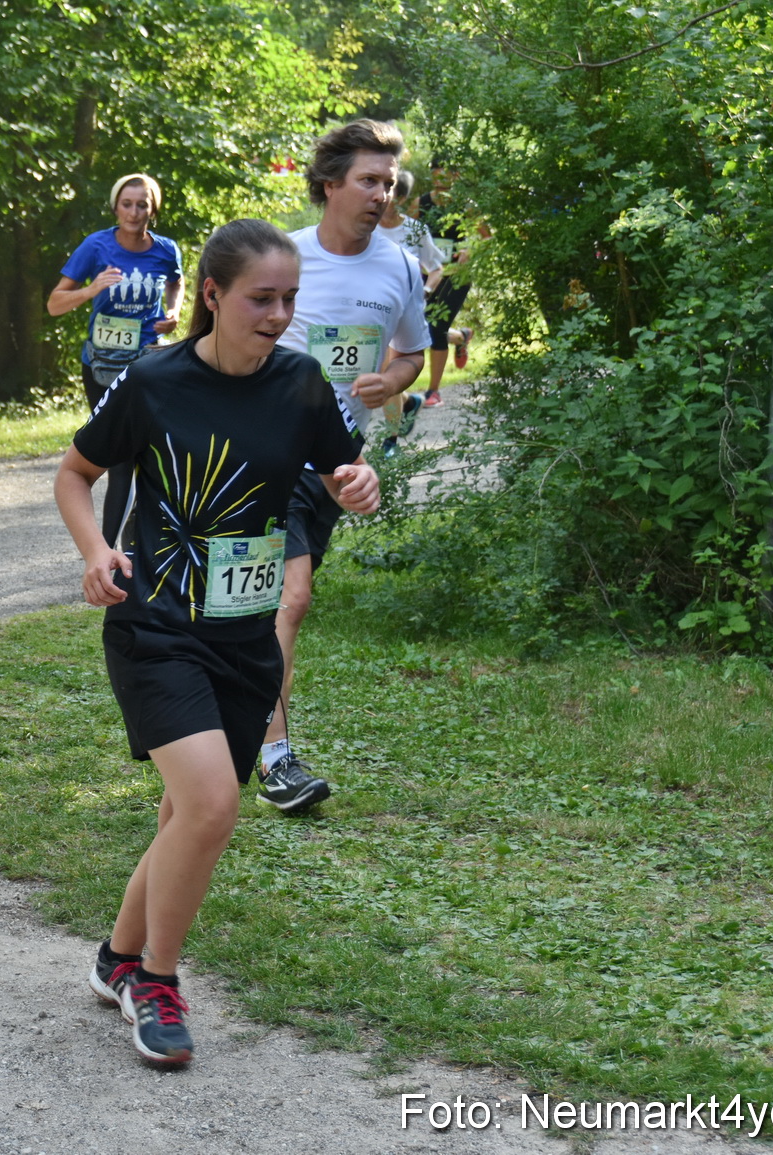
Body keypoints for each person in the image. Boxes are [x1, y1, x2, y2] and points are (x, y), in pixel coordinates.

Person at [56, 219, 379, 1065]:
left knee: (182, 814)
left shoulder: (302, 383)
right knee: (210, 805)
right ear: (211, 295)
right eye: (260, 299)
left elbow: (339, 471)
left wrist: (358, 482)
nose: (278, 315)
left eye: (289, 300)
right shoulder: (155, 381)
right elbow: (73, 473)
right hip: (156, 626)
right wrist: (97, 551)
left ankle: (117, 958)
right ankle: (156, 980)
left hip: (245, 639)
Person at [263, 120, 432, 812]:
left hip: (335, 464)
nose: (380, 194)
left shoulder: (400, 266)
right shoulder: (283, 257)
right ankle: (274, 755)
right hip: (266, 451)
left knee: (262, 602)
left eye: (388, 183)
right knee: (290, 597)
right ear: (329, 183)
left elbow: (412, 351)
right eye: (368, 179)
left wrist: (390, 384)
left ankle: (218, 706)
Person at [48, 174, 184, 411]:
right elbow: (54, 305)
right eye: (126, 204)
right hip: (102, 362)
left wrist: (173, 312)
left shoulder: (166, 250)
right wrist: (91, 290)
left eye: (142, 205)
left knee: (145, 435)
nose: (133, 213)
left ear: (153, 211)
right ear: (115, 208)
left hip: (148, 358)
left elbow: (176, 282)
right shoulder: (95, 246)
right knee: (106, 441)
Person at [373, 169, 444, 453]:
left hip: (405, 312)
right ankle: (410, 402)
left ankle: (390, 441)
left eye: (390, 193)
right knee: (380, 377)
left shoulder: (415, 230)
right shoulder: (367, 228)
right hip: (373, 311)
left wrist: (425, 292)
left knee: (388, 374)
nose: (382, 199)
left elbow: (436, 268)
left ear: (401, 197)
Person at [419, 163, 479, 407]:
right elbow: (406, 232)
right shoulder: (421, 203)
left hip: (456, 277)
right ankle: (461, 337)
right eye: (436, 171)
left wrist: (470, 246)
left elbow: (485, 235)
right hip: (427, 275)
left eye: (446, 172)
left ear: (456, 175)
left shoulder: (466, 205)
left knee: (436, 326)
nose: (440, 176)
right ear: (431, 172)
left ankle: (433, 391)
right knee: (424, 325)